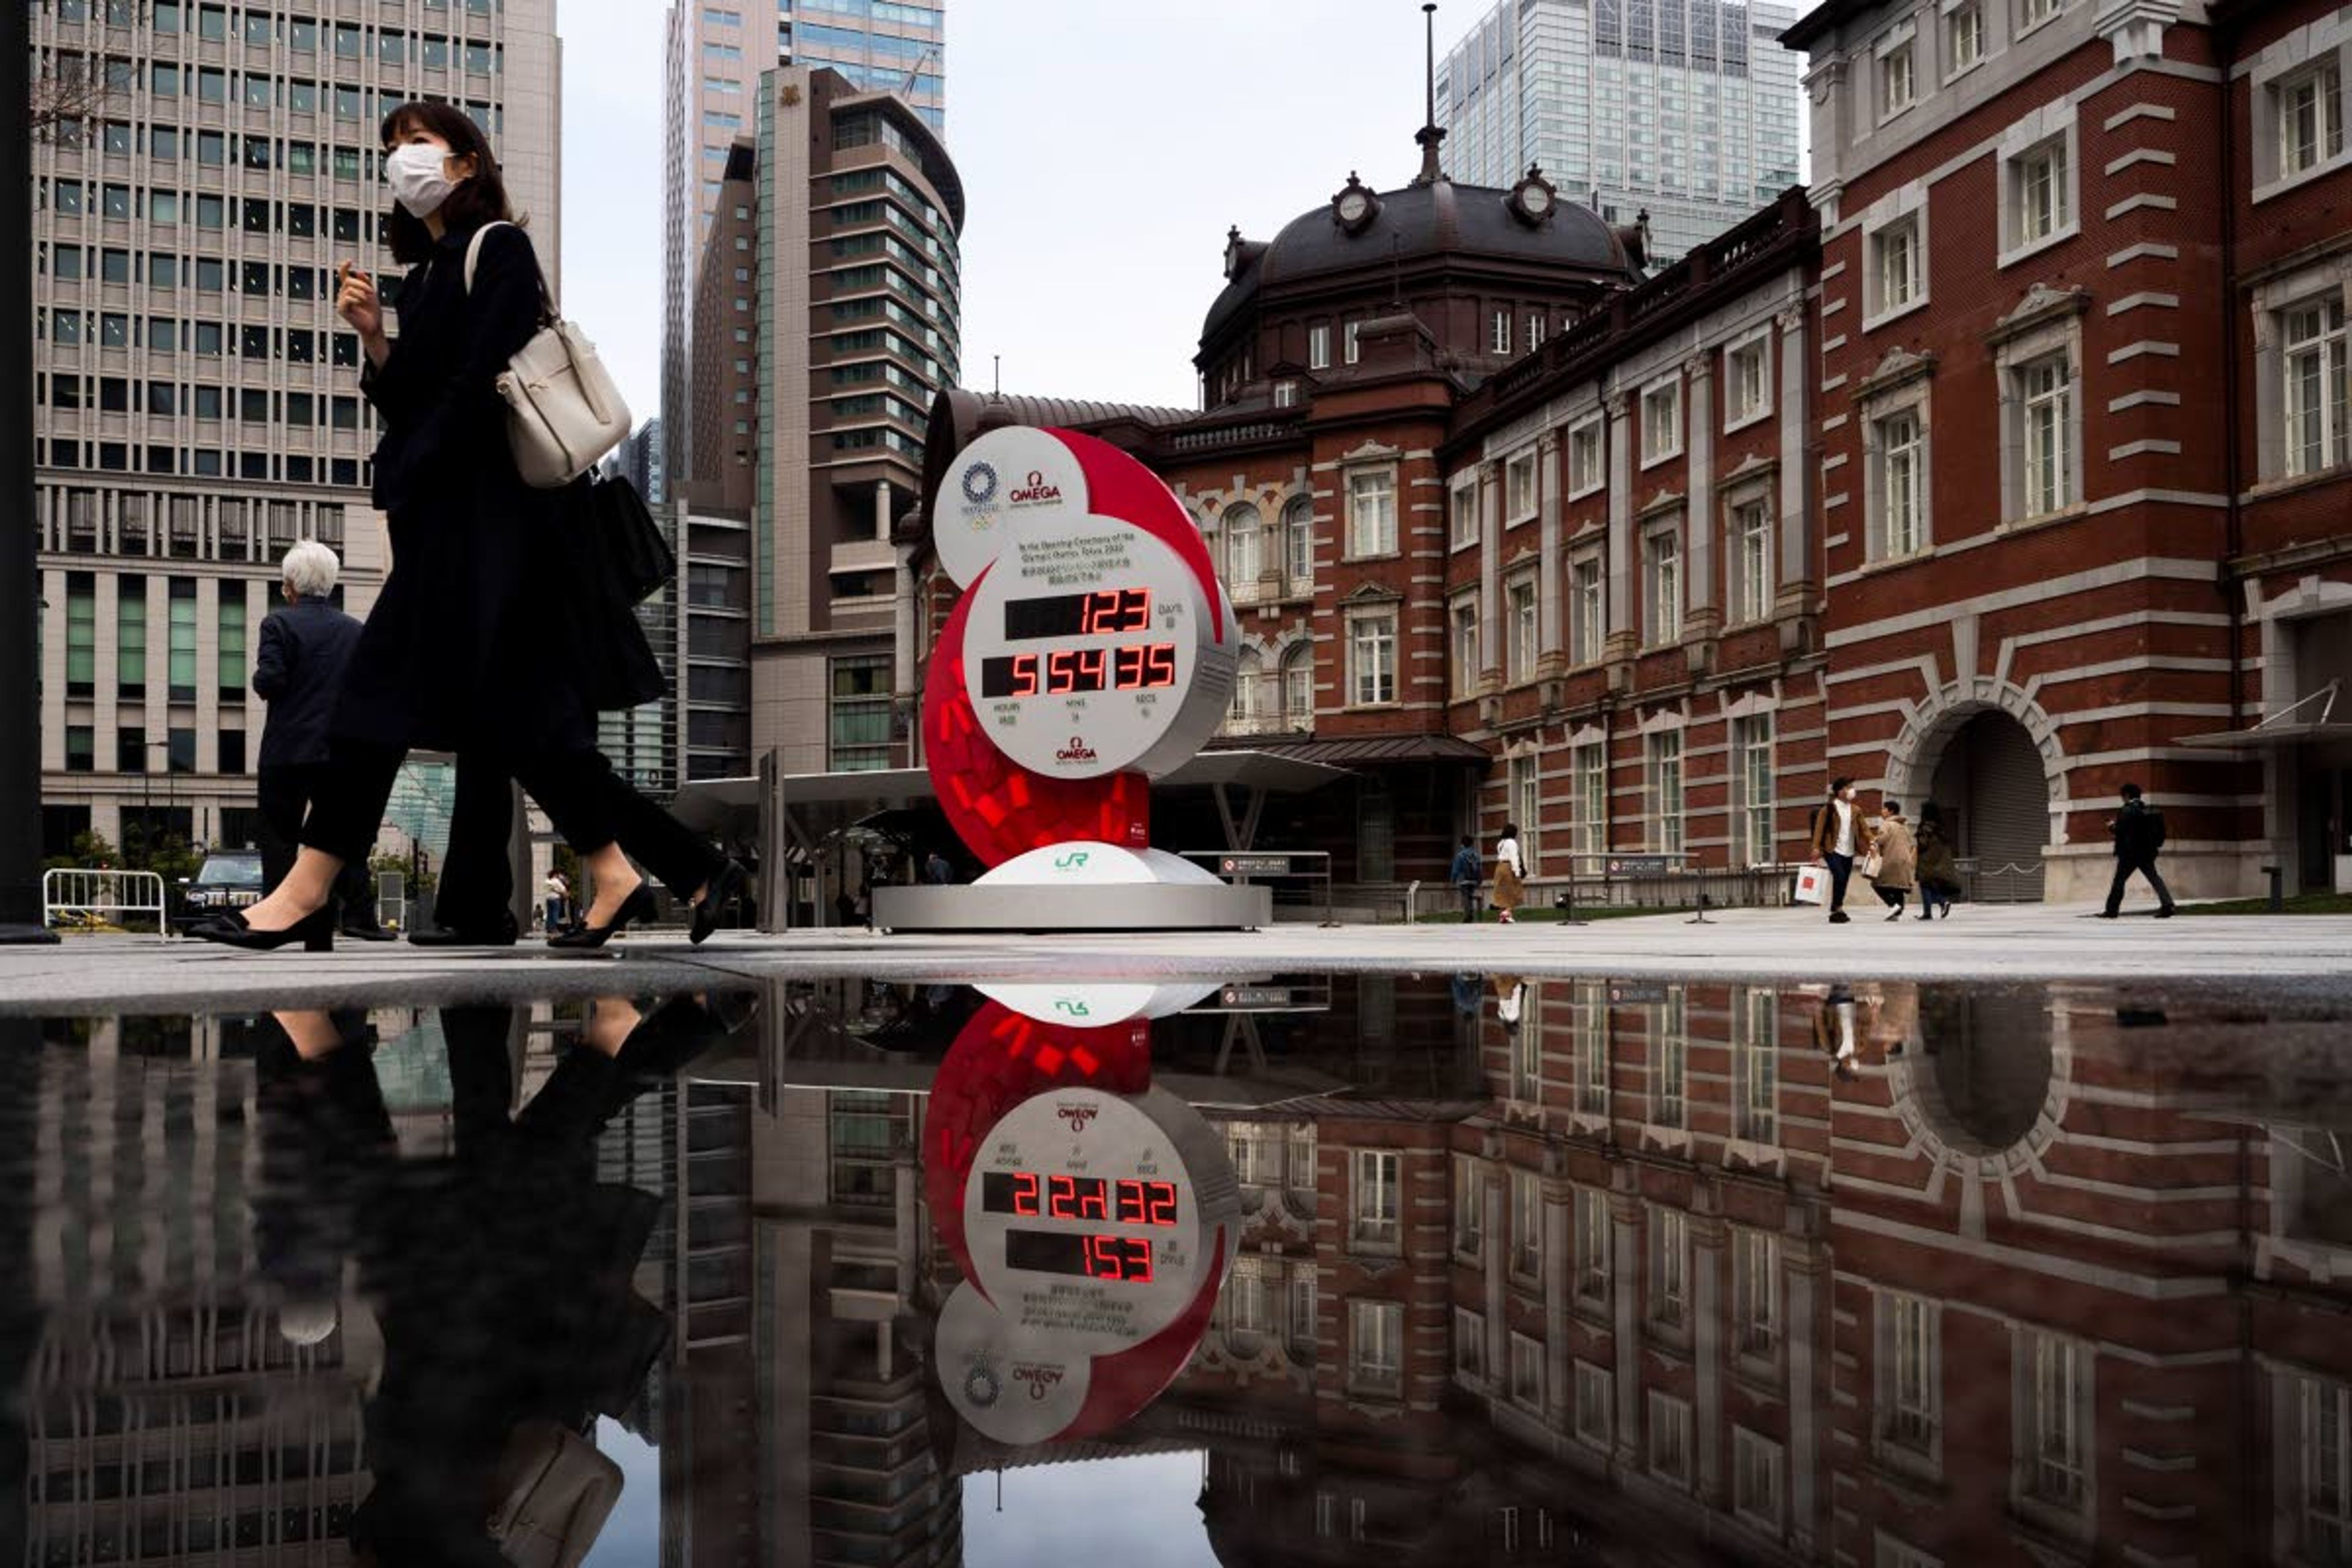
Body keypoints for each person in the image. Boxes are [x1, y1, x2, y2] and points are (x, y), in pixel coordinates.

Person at [193, 100, 744, 954]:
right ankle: (643, 868)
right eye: (390, 150)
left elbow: (479, 379)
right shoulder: (426, 277)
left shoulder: (501, 250)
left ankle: (305, 892)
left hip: (496, 530)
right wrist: (377, 340)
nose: (398, 161)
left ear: (463, 163)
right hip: (452, 527)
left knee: (376, 698)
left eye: (413, 144)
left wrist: (414, 464)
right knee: (523, 728)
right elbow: (413, 393)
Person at [251, 540, 390, 945]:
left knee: (279, 836)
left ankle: (281, 916)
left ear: (290, 584)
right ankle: (360, 917)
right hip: (337, 751)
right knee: (337, 835)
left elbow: (271, 680)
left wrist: (262, 682)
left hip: (287, 749)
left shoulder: (277, 625)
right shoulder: (355, 631)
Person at [2100, 782, 2176, 919]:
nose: (2122, 799)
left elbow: (2121, 831)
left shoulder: (2127, 810)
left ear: (2127, 795)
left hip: (2129, 853)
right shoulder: (2146, 810)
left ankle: (2112, 910)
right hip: (2147, 852)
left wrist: (2111, 826)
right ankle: (2168, 905)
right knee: (2154, 878)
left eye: (2123, 797)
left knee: (2119, 880)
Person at [1808, 777, 1874, 924]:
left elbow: (1864, 829)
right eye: (1848, 787)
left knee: (1844, 879)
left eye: (1851, 787)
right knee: (1839, 876)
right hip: (1832, 849)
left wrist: (1872, 842)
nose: (1852, 790)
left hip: (1849, 850)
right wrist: (1816, 847)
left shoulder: (1856, 810)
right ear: (1839, 792)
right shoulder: (1829, 809)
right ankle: (1838, 907)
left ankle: (1836, 906)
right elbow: (1819, 829)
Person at [1868, 799, 1917, 921]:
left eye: (1884, 809)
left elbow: (1882, 839)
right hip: (1905, 859)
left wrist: (1874, 840)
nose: (1882, 811)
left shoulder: (1887, 824)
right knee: (1898, 887)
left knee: (1877, 884)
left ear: (1890, 811)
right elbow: (1910, 843)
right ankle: (1897, 913)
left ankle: (1893, 905)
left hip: (1891, 859)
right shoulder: (1904, 826)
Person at [1914, 803, 1959, 921]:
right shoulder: (1941, 828)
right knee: (1930, 885)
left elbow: (1923, 844)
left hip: (1927, 861)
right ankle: (1932, 909)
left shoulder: (1925, 828)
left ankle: (1939, 904)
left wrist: (1918, 837)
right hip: (1940, 862)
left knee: (1925, 885)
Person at [1491, 823, 1526, 924]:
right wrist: (1517, 872)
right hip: (1508, 867)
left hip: (1500, 867)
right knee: (1513, 890)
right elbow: (1514, 857)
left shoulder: (1501, 843)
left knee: (1501, 891)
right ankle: (1507, 912)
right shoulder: (1512, 842)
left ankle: (1504, 915)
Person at [1449, 835, 1482, 923]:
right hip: (1474, 880)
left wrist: (1453, 879)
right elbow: (1479, 868)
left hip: (1464, 880)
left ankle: (1468, 915)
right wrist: (1479, 880)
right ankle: (1470, 914)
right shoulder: (1476, 855)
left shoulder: (1460, 855)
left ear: (1462, 845)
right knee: (1470, 897)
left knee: (1466, 898)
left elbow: (1456, 869)